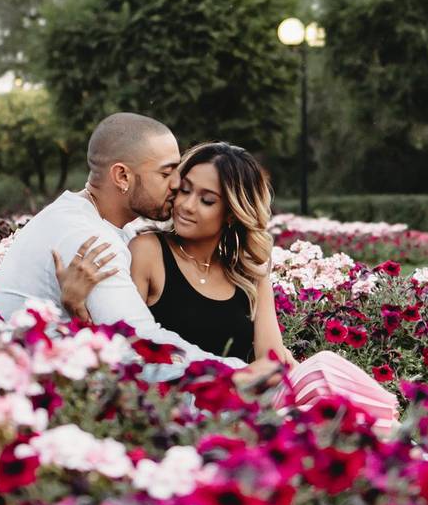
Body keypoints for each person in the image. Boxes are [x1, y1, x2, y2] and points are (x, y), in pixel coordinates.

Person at [55, 141, 399, 435]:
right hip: (187, 408)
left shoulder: (248, 272)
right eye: (184, 190)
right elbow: (123, 343)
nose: (187, 206)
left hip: (252, 406)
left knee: (322, 379)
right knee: (322, 373)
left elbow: (273, 359)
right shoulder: (149, 252)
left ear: (232, 213)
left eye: (207, 199)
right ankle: (389, 442)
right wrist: (75, 306)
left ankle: (383, 443)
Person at [0, 113, 280, 384]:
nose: (177, 184)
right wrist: (240, 373)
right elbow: (139, 341)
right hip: (32, 394)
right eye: (167, 174)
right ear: (123, 176)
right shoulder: (89, 238)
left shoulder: (103, 223)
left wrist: (76, 310)